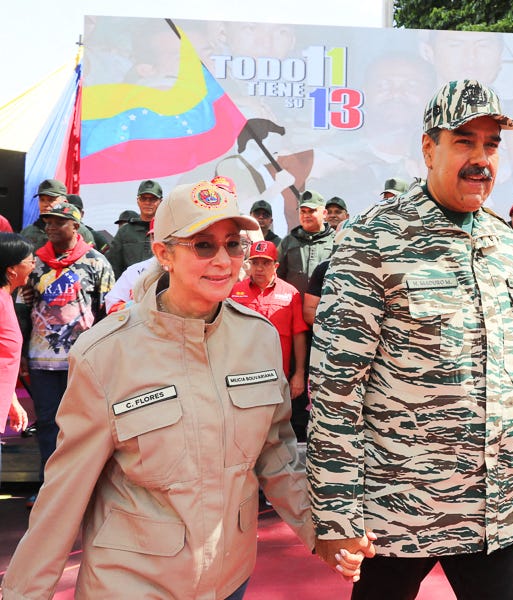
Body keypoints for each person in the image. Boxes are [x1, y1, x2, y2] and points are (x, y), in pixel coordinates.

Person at [1, 180, 371, 599]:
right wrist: (23, 592)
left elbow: (276, 452)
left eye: (233, 245)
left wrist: (321, 533)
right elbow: (65, 490)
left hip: (229, 576)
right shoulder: (105, 352)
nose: (222, 260)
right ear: (164, 254)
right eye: (202, 245)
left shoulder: (258, 339)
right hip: (133, 583)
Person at [308, 79, 513, 599]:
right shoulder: (374, 238)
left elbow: (508, 382)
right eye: (465, 141)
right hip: (395, 512)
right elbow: (336, 386)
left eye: (491, 144)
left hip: (494, 513)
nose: (481, 158)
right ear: (429, 147)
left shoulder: (506, 244)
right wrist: (336, 511)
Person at [15, 202, 114, 505]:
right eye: (47, 222)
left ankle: (84, 486)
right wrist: (19, 352)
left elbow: (108, 312)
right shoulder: (34, 263)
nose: (50, 227)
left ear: (75, 225)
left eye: (58, 222)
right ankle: (50, 487)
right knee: (47, 423)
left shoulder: (96, 262)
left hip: (83, 361)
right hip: (43, 360)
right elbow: (22, 308)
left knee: (84, 424)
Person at [229, 240, 309, 428]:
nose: (259, 268)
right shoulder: (235, 292)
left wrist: (299, 374)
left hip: (278, 376)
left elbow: (299, 335)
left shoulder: (291, 294)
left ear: (276, 266)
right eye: (255, 262)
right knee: (245, 426)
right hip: (243, 375)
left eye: (265, 263)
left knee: (277, 427)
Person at [0, 233, 33, 479]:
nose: (33, 265)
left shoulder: (6, 298)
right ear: (11, 269)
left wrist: (11, 400)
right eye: (29, 260)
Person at [277, 189, 336, 294]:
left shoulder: (336, 240)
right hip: (293, 305)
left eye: (311, 211)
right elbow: (276, 275)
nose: (306, 215)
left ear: (324, 213)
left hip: (325, 307)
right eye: (303, 211)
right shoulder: (288, 241)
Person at [106, 179, 163, 278]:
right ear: (138, 201)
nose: (147, 202)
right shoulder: (125, 232)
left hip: (160, 288)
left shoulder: (167, 229)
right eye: (143, 198)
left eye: (152, 199)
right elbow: (113, 265)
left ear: (160, 201)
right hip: (130, 289)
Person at [20, 179, 67, 248]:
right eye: (42, 200)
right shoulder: (27, 232)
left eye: (51, 200)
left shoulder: (75, 231)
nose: (45, 204)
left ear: (65, 202)